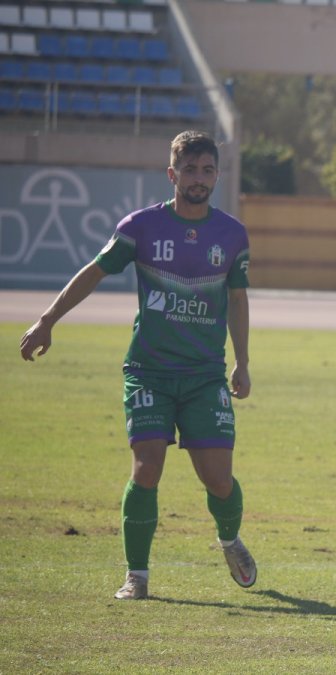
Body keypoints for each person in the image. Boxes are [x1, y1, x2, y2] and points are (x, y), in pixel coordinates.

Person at [18, 130, 257, 601]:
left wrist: (243, 362)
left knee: (218, 480)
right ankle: (137, 576)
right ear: (172, 174)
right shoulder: (141, 226)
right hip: (148, 372)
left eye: (207, 169)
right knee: (147, 468)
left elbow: (237, 300)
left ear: (217, 175)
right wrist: (47, 320)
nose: (199, 178)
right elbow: (94, 271)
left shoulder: (232, 234)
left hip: (204, 375)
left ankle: (230, 540)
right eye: (189, 169)